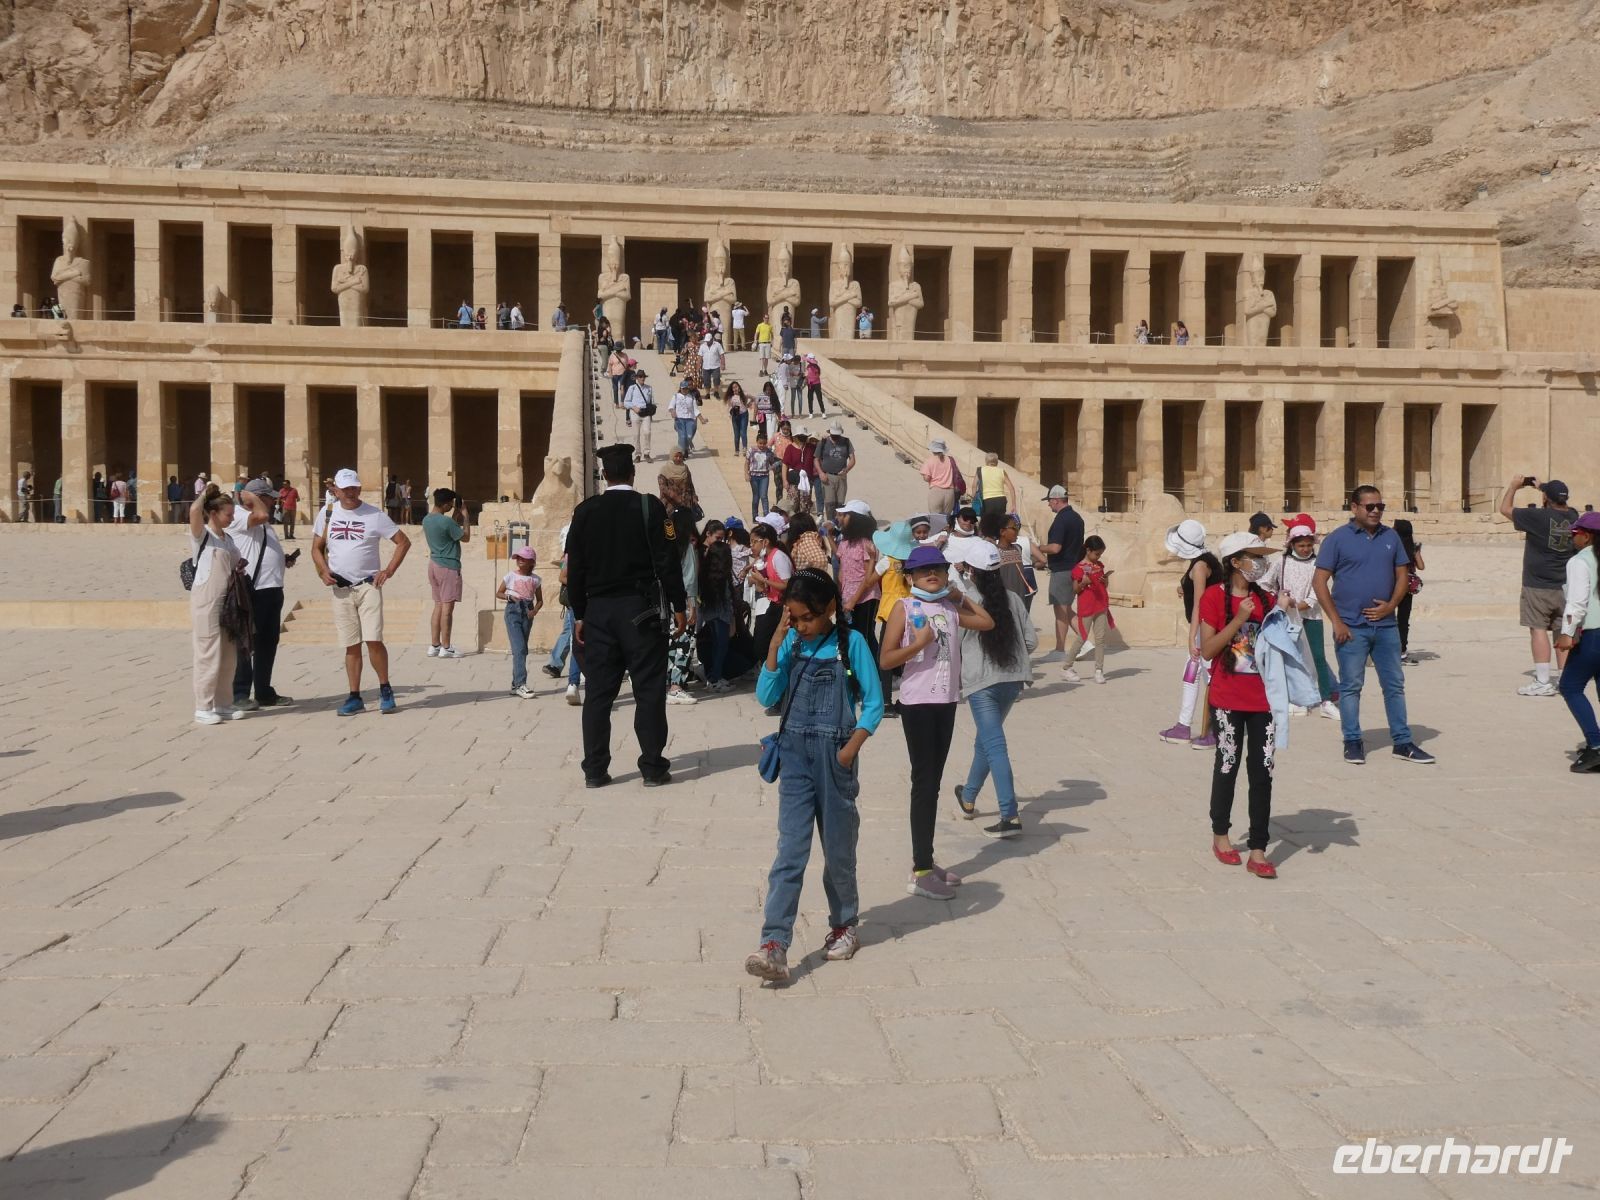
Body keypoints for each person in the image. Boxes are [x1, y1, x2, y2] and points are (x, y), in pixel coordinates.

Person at [744, 568, 885, 983]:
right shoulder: (790, 642)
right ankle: (774, 943)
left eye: (808, 618)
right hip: (796, 760)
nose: (801, 626)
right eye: (795, 618)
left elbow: (874, 704)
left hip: (834, 759)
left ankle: (844, 924)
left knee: (838, 851)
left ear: (828, 610)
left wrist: (848, 751)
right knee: (790, 852)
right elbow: (767, 696)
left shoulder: (852, 644)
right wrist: (774, 645)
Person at [566, 444, 688, 787]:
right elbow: (667, 562)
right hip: (640, 610)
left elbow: (575, 568)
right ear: (632, 473)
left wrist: (579, 613)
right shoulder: (648, 507)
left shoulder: (585, 511)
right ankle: (652, 767)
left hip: (599, 612)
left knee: (600, 695)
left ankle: (595, 770)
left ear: (604, 474)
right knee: (648, 691)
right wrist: (679, 605)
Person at [879, 545, 994, 900]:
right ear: (910, 577)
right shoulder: (905, 607)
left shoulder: (948, 607)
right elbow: (886, 660)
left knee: (934, 782)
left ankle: (926, 860)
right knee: (924, 783)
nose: (932, 575)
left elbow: (987, 622)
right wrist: (919, 644)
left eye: (938, 569)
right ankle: (921, 870)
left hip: (945, 702)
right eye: (925, 570)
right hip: (918, 704)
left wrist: (959, 595)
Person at [1312, 485, 1435, 766]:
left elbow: (1403, 575)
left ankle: (1402, 741)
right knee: (1351, 685)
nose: (1376, 511)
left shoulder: (1390, 536)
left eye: (1381, 506)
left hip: (1387, 626)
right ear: (1354, 508)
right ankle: (1352, 740)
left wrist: (1391, 606)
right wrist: (1337, 622)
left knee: (1394, 685)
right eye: (1370, 507)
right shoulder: (1337, 539)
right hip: (1351, 627)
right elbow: (1319, 582)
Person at [1198, 532, 1285, 878]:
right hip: (1227, 697)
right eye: (1254, 556)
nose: (1261, 563)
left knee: (1262, 771)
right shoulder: (1212, 598)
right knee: (1227, 765)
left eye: (1262, 557)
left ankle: (1259, 847)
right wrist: (1237, 620)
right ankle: (1221, 835)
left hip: (1263, 698)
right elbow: (1207, 650)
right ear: (1235, 562)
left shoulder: (1267, 598)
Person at [947, 537, 1037, 838]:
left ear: (970, 571)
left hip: (982, 683)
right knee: (987, 741)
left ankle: (1009, 815)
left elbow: (955, 643)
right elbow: (1031, 641)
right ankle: (969, 797)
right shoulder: (1012, 598)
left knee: (994, 744)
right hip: (1012, 681)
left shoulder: (968, 601)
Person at [310, 468, 411, 716]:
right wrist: (323, 571)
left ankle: (385, 688)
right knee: (351, 644)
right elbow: (316, 547)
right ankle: (354, 695)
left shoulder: (374, 515)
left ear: (359, 488)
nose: (350, 493)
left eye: (354, 488)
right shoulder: (328, 512)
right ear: (336, 490)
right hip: (341, 588)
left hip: (368, 585)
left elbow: (403, 541)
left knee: (373, 639)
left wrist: (388, 570)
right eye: (345, 489)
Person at [1501, 475, 1577, 696]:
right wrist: (1545, 488)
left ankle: (1543, 681)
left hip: (1538, 584)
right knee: (1563, 630)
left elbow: (1505, 509)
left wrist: (1514, 486)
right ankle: (1565, 679)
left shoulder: (1537, 517)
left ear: (1545, 498)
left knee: (1538, 629)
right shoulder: (1573, 516)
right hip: (1564, 585)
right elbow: (1561, 504)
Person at [226, 480, 293, 710]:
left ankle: (264, 691)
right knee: (247, 641)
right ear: (254, 498)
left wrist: (283, 560)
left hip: (272, 588)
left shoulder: (262, 522)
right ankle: (240, 693)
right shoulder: (238, 514)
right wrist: (247, 496)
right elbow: (262, 514)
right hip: (252, 589)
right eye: (268, 497)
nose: (273, 500)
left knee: (268, 642)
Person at [1263, 521, 1338, 718]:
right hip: (1287, 619)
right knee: (1291, 659)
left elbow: (1316, 594)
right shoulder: (1282, 562)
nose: (1305, 549)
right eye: (1300, 545)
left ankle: (1325, 700)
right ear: (1292, 545)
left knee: (1317, 658)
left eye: (1308, 545)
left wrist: (1295, 604)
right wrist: (1278, 598)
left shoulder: (1318, 564)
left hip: (1311, 617)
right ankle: (1296, 699)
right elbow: (1266, 584)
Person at [1159, 519, 1222, 747]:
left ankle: (1214, 729)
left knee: (1211, 676)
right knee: (1191, 675)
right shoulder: (1204, 562)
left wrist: (1192, 637)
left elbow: (1200, 604)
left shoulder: (1199, 566)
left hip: (1205, 630)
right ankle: (1183, 726)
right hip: (1205, 628)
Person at [188, 483, 247, 726]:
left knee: (228, 653)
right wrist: (204, 494)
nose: (231, 519)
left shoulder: (227, 539)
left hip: (229, 599)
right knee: (208, 650)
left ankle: (223, 703)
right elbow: (193, 511)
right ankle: (203, 706)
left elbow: (235, 562)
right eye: (228, 515)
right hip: (207, 599)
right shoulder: (203, 535)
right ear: (213, 514)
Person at [1557, 511, 1600, 772]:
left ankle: (1596, 746)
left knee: (1570, 686)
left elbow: (1577, 602)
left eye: (1576, 533)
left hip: (1593, 634)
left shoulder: (1579, 562)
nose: (1573, 538)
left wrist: (1567, 632)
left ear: (1587, 535)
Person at [422, 488, 471, 658]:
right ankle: (446, 646)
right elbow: (465, 537)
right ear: (445, 504)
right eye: (450, 504)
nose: (452, 506)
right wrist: (465, 516)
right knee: (447, 609)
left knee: (438, 605)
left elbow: (447, 527)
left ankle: (434, 645)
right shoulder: (446, 522)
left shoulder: (427, 520)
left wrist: (455, 515)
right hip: (449, 567)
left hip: (434, 565)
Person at [1040, 484, 1086, 661]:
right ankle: (1083, 643)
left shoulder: (1061, 520)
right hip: (1073, 567)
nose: (1049, 505)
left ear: (1056, 500)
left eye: (1050, 502)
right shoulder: (1077, 518)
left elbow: (1055, 547)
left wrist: (1037, 548)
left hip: (1062, 569)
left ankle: (1061, 649)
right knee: (1066, 609)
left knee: (1061, 610)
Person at [1062, 535, 1113, 685]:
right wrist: (1083, 582)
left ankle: (1099, 670)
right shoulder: (1078, 568)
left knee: (1100, 639)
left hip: (1101, 605)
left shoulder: (1100, 566)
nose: (1098, 557)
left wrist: (1105, 580)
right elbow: (1076, 590)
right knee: (1082, 637)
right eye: (1096, 554)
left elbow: (1104, 586)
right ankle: (1067, 667)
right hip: (1087, 607)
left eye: (1100, 555)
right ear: (1088, 550)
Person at [496, 547, 544, 699]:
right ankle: (520, 684)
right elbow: (499, 593)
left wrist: (534, 611)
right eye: (518, 558)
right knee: (519, 648)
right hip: (513, 611)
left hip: (527, 612)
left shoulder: (535, 579)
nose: (519, 560)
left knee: (522, 648)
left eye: (523, 558)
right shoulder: (510, 576)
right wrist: (510, 598)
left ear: (531, 562)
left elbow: (540, 600)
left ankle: (514, 684)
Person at [1392, 518, 1424, 665]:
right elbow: (1421, 566)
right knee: (1403, 620)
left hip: (1392, 585)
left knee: (1387, 618)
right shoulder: (1412, 548)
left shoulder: (1392, 546)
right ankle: (1402, 651)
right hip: (1407, 587)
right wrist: (1417, 552)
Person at [815, 422, 855, 522]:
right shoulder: (823, 442)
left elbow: (852, 459)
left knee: (840, 504)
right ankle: (830, 524)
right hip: (828, 476)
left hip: (841, 477)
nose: (835, 436)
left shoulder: (846, 441)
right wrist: (820, 473)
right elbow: (816, 459)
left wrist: (846, 470)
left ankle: (839, 525)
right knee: (829, 504)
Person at [623, 367, 655, 462]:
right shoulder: (632, 388)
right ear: (637, 378)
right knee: (636, 435)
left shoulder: (649, 388)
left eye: (643, 377)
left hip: (646, 413)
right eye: (640, 376)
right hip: (635, 413)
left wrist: (651, 410)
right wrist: (633, 407)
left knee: (647, 432)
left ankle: (647, 453)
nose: (642, 378)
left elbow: (652, 401)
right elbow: (626, 402)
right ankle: (637, 454)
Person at [920, 439, 959, 515]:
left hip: (936, 491)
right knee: (946, 519)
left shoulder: (930, 460)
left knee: (935, 518)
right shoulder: (950, 460)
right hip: (950, 493)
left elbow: (927, 478)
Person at [974, 452, 1016, 519]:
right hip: (1001, 501)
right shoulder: (1002, 471)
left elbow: (974, 485)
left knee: (987, 524)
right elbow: (1011, 488)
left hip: (987, 501)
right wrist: (1014, 505)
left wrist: (974, 499)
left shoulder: (980, 470)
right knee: (999, 524)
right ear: (997, 461)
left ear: (986, 461)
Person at [658, 447, 699, 515]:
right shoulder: (664, 470)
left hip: (685, 503)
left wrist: (694, 496)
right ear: (671, 456)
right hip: (670, 504)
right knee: (670, 524)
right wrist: (675, 497)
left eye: (680, 456)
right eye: (676, 456)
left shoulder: (685, 468)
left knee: (685, 523)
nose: (678, 458)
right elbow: (663, 488)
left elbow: (690, 484)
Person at [745, 432, 775, 521]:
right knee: (756, 496)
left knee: (764, 496)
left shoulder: (768, 451)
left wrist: (774, 468)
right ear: (757, 441)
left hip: (764, 476)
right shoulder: (751, 450)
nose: (762, 445)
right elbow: (747, 463)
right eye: (760, 443)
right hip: (754, 476)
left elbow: (772, 462)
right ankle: (755, 516)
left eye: (764, 443)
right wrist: (746, 474)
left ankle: (766, 515)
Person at [670, 379, 700, 456]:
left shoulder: (692, 397)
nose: (685, 390)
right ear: (680, 388)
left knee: (689, 436)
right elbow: (671, 406)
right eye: (683, 388)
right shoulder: (676, 396)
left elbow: (696, 410)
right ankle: (681, 452)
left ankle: (686, 448)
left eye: (686, 388)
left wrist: (702, 419)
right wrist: (673, 412)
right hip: (679, 419)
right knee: (682, 436)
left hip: (690, 419)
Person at [726, 381, 750, 455]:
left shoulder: (744, 394)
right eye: (733, 387)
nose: (735, 388)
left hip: (744, 415)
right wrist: (731, 413)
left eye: (736, 386)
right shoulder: (731, 397)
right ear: (732, 389)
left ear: (739, 387)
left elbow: (753, 398)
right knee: (736, 434)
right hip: (735, 416)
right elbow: (729, 407)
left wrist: (749, 404)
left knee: (743, 432)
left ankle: (744, 448)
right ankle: (736, 450)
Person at [699, 333, 725, 397]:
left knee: (716, 379)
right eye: (706, 341)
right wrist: (698, 365)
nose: (707, 342)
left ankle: (716, 391)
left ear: (712, 339)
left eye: (708, 340)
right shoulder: (702, 346)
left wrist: (723, 364)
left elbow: (722, 355)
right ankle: (707, 393)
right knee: (706, 380)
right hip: (706, 366)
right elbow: (700, 356)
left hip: (715, 366)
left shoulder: (717, 345)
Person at [607, 345, 630, 410]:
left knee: (622, 389)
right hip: (614, 374)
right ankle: (616, 403)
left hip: (623, 373)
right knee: (615, 389)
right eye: (617, 350)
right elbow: (610, 364)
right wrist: (610, 373)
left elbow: (627, 364)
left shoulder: (625, 355)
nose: (618, 351)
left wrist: (628, 372)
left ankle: (622, 403)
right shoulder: (612, 355)